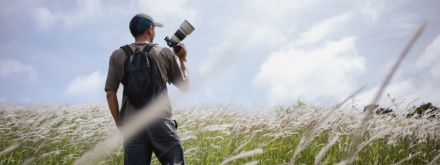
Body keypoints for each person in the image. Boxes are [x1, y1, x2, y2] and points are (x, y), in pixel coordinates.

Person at [105, 13, 189, 165]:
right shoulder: (164, 52)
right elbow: (185, 86)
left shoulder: (117, 55)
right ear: (150, 30)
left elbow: (110, 94)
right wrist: (182, 60)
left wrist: (121, 124)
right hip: (160, 121)